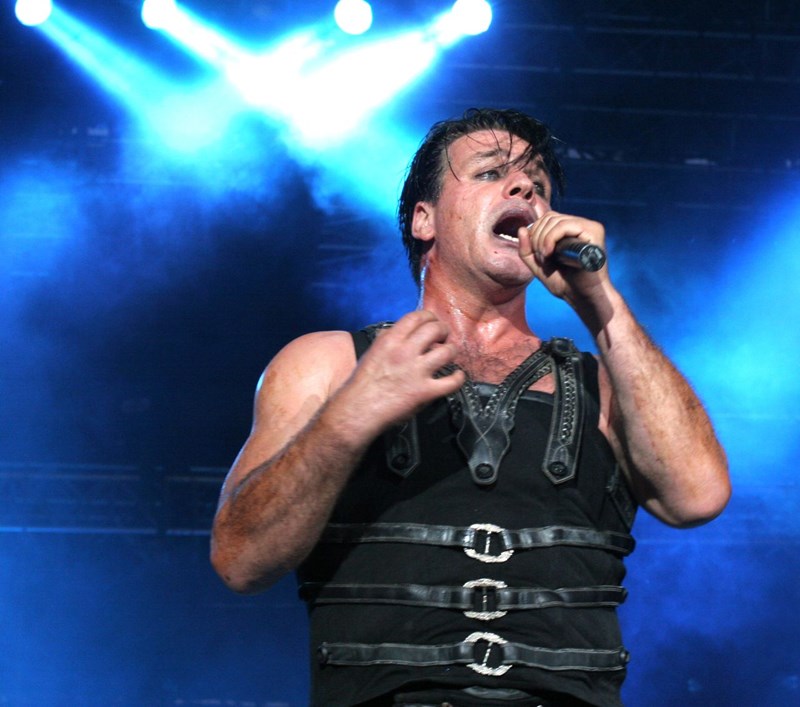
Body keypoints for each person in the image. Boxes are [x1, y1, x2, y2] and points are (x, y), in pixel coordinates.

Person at [210, 108, 730, 707]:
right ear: (424, 219)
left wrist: (600, 302)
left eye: (537, 182)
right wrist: (351, 415)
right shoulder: (328, 364)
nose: (524, 187)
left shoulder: (606, 384)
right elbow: (240, 559)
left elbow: (697, 496)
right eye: (490, 172)